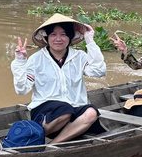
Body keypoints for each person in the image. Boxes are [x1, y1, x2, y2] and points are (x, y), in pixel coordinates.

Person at [11, 13, 106, 144]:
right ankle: (33, 135)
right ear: (46, 38)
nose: (58, 39)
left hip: (74, 111)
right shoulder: (36, 59)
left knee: (91, 112)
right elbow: (21, 89)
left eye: (64, 34)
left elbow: (99, 71)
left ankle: (52, 144)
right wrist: (20, 62)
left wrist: (90, 41)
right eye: (53, 34)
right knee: (64, 110)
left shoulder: (79, 56)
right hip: (45, 113)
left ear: (70, 37)